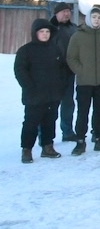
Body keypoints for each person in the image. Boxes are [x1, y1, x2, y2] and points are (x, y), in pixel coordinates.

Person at [15, 19, 69, 163]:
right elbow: (20, 70)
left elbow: (63, 69)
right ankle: (26, 149)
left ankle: (47, 146)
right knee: (31, 123)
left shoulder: (55, 49)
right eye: (42, 32)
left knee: (50, 121)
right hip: (34, 95)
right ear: (35, 33)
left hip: (53, 94)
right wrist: (29, 87)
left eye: (47, 32)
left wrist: (61, 85)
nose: (45, 34)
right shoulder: (26, 50)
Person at [66, 7, 100, 154]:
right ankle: (80, 141)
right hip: (84, 82)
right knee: (83, 112)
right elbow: (71, 57)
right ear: (88, 19)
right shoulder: (78, 36)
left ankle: (99, 139)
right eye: (94, 17)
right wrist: (80, 71)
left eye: (99, 18)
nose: (97, 20)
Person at [50, 1, 78, 143]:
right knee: (51, 105)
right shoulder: (49, 28)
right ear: (56, 13)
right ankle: (46, 135)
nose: (67, 14)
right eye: (63, 11)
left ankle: (67, 132)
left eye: (68, 11)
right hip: (52, 74)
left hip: (69, 72)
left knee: (68, 104)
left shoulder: (73, 29)